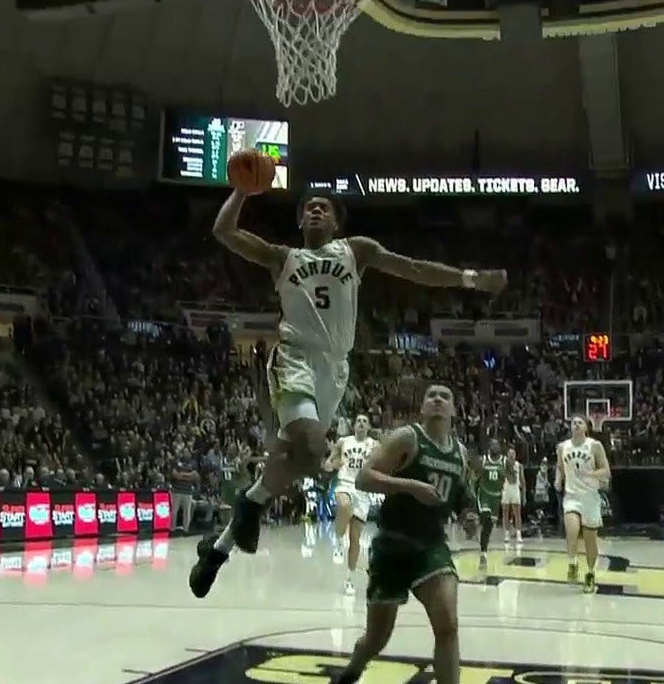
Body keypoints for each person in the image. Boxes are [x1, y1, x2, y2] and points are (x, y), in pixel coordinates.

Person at [189, 185, 505, 598]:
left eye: (323, 208)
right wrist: (242, 191)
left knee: (301, 457)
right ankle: (246, 512)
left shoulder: (355, 251)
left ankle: (220, 546)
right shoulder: (285, 258)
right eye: (308, 208)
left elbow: (412, 268)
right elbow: (224, 231)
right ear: (300, 220)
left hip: (335, 369)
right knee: (310, 444)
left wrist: (469, 278)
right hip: (295, 358)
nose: (315, 211)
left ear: (337, 222)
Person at [329, 385, 471, 684]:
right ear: (422, 408)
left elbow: (460, 495)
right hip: (392, 544)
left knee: (448, 625)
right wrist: (410, 486)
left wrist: (468, 514)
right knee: (377, 638)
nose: (436, 399)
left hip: (431, 546)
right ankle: (352, 670)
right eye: (430, 395)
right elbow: (365, 478)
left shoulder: (460, 452)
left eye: (445, 396)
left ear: (453, 410)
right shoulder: (407, 437)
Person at [556, 416, 611, 593]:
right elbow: (560, 467)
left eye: (580, 422)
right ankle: (572, 563)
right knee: (571, 530)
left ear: (586, 427)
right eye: (573, 422)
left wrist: (590, 475)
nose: (576, 424)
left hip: (590, 497)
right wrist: (558, 480)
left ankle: (590, 573)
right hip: (572, 496)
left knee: (590, 541)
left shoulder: (595, 446)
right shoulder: (562, 447)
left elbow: (606, 472)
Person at [324, 413, 375, 595]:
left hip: (363, 491)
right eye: (358, 420)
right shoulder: (343, 442)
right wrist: (332, 464)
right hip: (344, 484)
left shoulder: (374, 446)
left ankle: (349, 578)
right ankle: (338, 540)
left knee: (355, 540)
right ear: (353, 425)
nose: (361, 423)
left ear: (368, 427)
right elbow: (328, 464)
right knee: (344, 506)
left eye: (364, 421)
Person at [470, 441, 504, 568]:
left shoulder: (504, 462)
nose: (495, 446)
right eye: (493, 444)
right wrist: (472, 490)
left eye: (497, 444)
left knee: (488, 528)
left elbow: (510, 477)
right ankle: (483, 552)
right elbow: (475, 476)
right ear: (489, 447)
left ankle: (483, 550)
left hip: (497, 497)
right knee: (486, 517)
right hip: (485, 495)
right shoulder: (483, 460)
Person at [500, 447, 524, 543]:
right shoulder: (503, 465)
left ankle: (519, 535)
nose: (511, 455)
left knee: (517, 513)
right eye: (509, 453)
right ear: (507, 455)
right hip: (506, 487)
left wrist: (524, 494)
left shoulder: (519, 466)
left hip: (515, 488)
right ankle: (506, 535)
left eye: (513, 453)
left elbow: (522, 480)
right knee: (505, 512)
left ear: (515, 455)